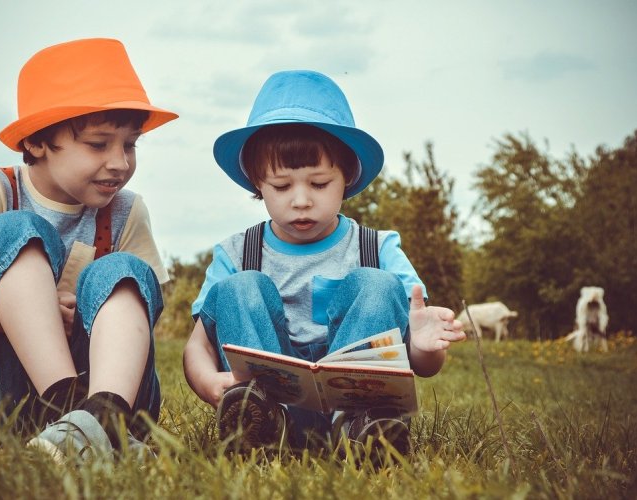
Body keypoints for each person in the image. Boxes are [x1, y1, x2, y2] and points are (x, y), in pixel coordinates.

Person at [182, 70, 466, 455]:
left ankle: (364, 432)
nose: (301, 200)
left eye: (318, 184)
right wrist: (207, 382)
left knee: (377, 284)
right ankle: (259, 427)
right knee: (239, 288)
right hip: (270, 406)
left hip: (357, 407)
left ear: (346, 176)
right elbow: (197, 345)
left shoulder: (377, 247)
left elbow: (424, 364)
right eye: (282, 186)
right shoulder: (236, 252)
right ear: (256, 182)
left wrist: (426, 347)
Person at [0, 38, 177, 462]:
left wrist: (99, 310)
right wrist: (41, 312)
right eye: (99, 144)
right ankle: (75, 414)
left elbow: (147, 306)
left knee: (123, 270)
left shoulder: (128, 210)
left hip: (107, 386)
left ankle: (104, 416)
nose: (120, 162)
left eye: (130, 144)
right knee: (17, 229)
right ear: (38, 142)